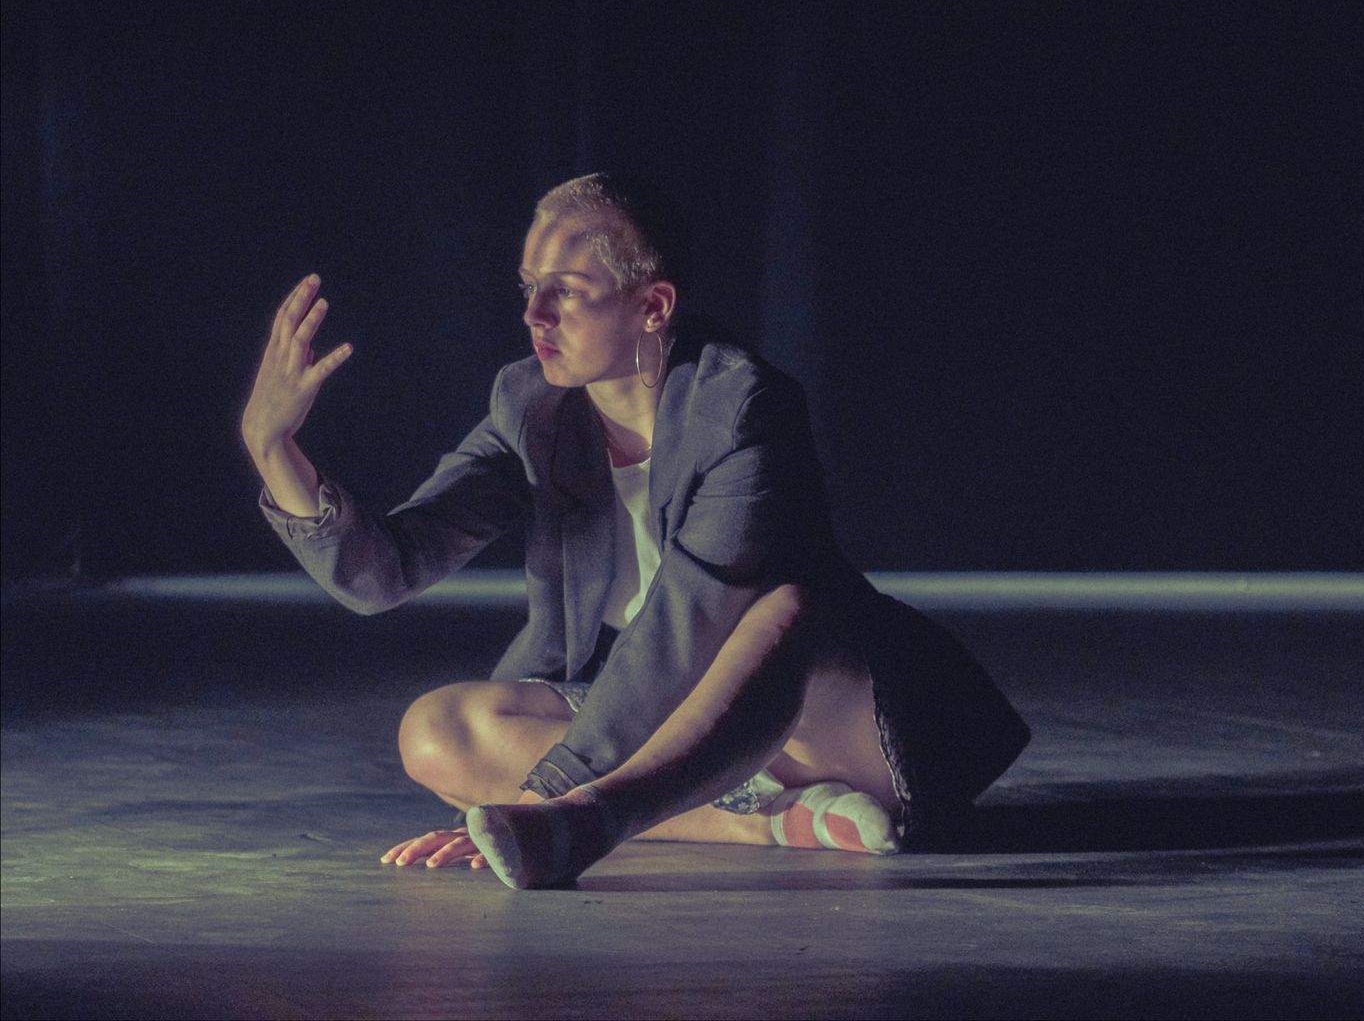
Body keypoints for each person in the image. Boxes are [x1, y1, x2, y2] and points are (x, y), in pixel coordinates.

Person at [242, 173, 1029, 889]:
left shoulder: (741, 408)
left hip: (829, 721)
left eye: (567, 292)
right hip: (656, 729)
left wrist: (545, 801)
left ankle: (599, 822)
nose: (533, 315)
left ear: (652, 306)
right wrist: (274, 448)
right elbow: (384, 573)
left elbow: (684, 633)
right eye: (527, 288)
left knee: (785, 611)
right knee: (435, 731)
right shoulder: (533, 409)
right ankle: (762, 825)